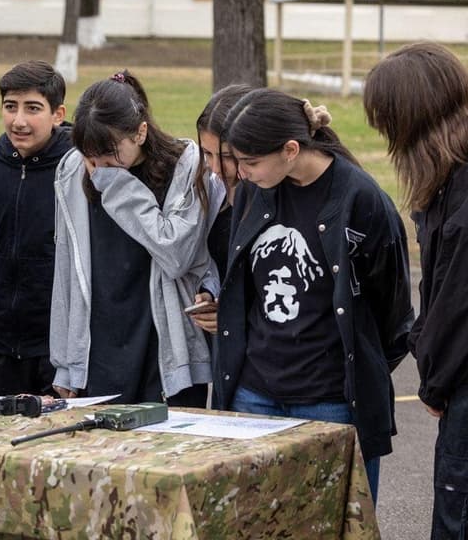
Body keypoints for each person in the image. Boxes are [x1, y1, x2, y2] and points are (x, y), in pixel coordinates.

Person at [214, 87, 414, 503]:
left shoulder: (362, 200)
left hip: (331, 403)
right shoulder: (253, 192)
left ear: (290, 149)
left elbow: (393, 316)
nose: (240, 173)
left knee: (335, 523)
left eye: (250, 162)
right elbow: (243, 285)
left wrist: (354, 372)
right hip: (253, 395)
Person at [50, 71, 214, 407]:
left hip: (164, 350)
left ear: (140, 132)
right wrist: (66, 364)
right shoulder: (71, 169)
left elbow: (175, 253)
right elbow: (67, 269)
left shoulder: (185, 164)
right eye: (88, 153)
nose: (98, 164)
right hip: (98, 348)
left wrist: (116, 185)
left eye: (109, 153)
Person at [363, 42, 468, 538]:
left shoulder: (462, 189)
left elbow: (454, 301)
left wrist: (435, 380)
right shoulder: (447, 181)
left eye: (387, 118)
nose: (383, 131)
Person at [0, 60, 69, 396]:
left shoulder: (75, 167)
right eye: (10, 107)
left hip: (56, 347)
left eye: (33, 109)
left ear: (58, 114)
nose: (19, 121)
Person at [188, 84, 254, 336]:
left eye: (226, 156)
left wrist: (236, 315)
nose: (215, 168)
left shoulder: (276, 199)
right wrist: (211, 292)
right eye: (207, 154)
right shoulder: (213, 189)